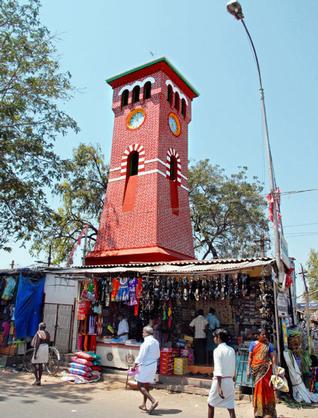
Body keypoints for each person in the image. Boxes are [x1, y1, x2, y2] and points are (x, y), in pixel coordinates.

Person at [247, 328, 277, 418]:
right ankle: (258, 411)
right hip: (256, 370)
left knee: (268, 389)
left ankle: (269, 411)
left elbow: (273, 358)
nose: (264, 336)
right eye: (262, 334)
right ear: (258, 335)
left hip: (266, 370)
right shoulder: (252, 344)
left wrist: (274, 369)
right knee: (258, 389)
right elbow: (250, 358)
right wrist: (248, 369)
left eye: (265, 335)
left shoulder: (269, 345)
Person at [208, 328, 236, 418]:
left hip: (219, 381)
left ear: (218, 337)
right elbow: (233, 366)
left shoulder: (217, 350)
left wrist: (219, 387)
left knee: (210, 403)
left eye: (215, 337)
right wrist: (233, 380)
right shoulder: (231, 350)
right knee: (231, 407)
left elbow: (218, 369)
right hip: (229, 381)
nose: (214, 339)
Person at [133, 326, 160, 414]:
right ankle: (144, 404)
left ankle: (153, 401)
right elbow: (158, 355)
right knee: (146, 384)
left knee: (139, 385)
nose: (142, 333)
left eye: (143, 332)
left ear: (146, 333)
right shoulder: (156, 342)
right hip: (153, 365)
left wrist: (135, 364)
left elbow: (141, 356)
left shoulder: (146, 343)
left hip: (145, 365)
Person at [31, 322, 50, 386]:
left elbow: (37, 343)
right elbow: (49, 342)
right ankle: (39, 380)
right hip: (45, 348)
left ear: (40, 327)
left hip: (40, 348)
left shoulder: (39, 333)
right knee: (40, 364)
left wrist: (35, 353)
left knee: (33, 363)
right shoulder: (47, 333)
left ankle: (37, 380)